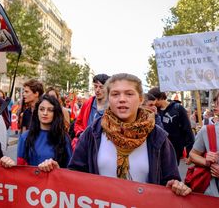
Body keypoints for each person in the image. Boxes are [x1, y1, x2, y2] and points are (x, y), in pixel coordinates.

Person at [38, 73, 191, 196]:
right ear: (108, 98)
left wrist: (177, 186)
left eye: (129, 94)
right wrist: (58, 172)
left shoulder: (158, 138)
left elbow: (171, 181)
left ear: (140, 99)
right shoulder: (92, 133)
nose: (122, 99)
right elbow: (76, 174)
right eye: (115, 94)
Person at [0, 95, 72, 168]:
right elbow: (20, 167)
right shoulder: (25, 137)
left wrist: (57, 169)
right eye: (42, 109)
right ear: (37, 112)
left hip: (55, 180)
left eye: (50, 110)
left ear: (56, 113)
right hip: (30, 180)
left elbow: (70, 170)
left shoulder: (64, 138)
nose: (45, 113)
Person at [148, 87, 194, 164]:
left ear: (159, 98)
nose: (152, 103)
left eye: (153, 100)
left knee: (171, 174)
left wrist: (189, 153)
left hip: (174, 150)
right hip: (157, 149)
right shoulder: (153, 110)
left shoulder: (177, 108)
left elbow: (187, 130)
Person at [72, 74, 109, 150]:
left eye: (101, 87)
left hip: (102, 148)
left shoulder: (112, 107)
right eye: (95, 86)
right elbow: (78, 122)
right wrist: (80, 134)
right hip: (85, 146)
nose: (97, 90)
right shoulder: (88, 103)